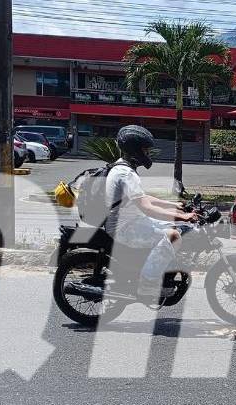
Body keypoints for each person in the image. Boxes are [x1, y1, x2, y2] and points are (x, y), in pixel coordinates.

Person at [75, 125, 197, 303]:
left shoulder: (120, 167)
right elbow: (146, 207)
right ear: (135, 150)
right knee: (173, 235)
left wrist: (174, 205)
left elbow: (142, 197)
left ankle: (155, 269)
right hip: (124, 227)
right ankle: (147, 284)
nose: (148, 154)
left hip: (130, 222)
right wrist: (182, 216)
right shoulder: (125, 173)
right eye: (145, 150)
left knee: (178, 227)